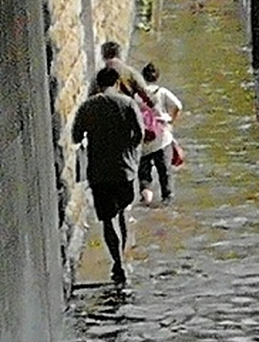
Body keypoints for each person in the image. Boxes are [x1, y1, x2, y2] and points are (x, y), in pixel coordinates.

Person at [72, 66, 145, 286]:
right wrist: (130, 152)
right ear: (117, 82)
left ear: (99, 83)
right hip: (125, 170)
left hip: (99, 172)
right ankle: (123, 255)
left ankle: (117, 261)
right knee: (122, 211)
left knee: (107, 219)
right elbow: (140, 134)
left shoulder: (88, 106)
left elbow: (76, 137)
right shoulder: (128, 104)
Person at [135, 61, 183, 206]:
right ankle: (166, 201)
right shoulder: (161, 92)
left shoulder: (136, 95)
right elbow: (178, 106)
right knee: (164, 171)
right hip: (162, 137)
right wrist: (171, 120)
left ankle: (146, 199)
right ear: (157, 77)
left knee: (144, 175)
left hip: (144, 139)